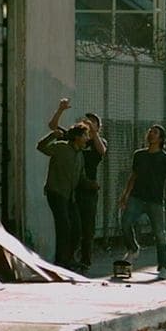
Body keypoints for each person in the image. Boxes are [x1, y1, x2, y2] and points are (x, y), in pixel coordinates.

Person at [49, 102, 107, 270]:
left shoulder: (97, 141)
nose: (87, 125)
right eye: (85, 122)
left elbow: (102, 151)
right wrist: (60, 109)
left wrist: (94, 133)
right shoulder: (75, 139)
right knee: (72, 226)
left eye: (91, 122)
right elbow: (53, 127)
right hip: (71, 188)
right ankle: (68, 258)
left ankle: (85, 260)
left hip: (88, 188)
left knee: (87, 228)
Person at [118, 124, 166, 280]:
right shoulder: (139, 155)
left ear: (160, 138)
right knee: (125, 222)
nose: (151, 134)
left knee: (160, 234)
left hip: (155, 201)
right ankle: (133, 248)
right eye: (150, 131)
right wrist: (125, 194)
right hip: (136, 197)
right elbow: (134, 176)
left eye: (155, 132)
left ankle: (164, 267)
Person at [36, 103, 88, 270]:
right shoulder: (61, 148)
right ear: (77, 137)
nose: (87, 139)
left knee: (77, 228)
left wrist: (91, 184)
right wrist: (52, 135)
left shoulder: (80, 155)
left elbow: (81, 177)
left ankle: (70, 258)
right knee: (64, 225)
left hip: (70, 195)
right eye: (85, 136)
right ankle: (61, 261)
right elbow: (41, 147)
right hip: (56, 192)